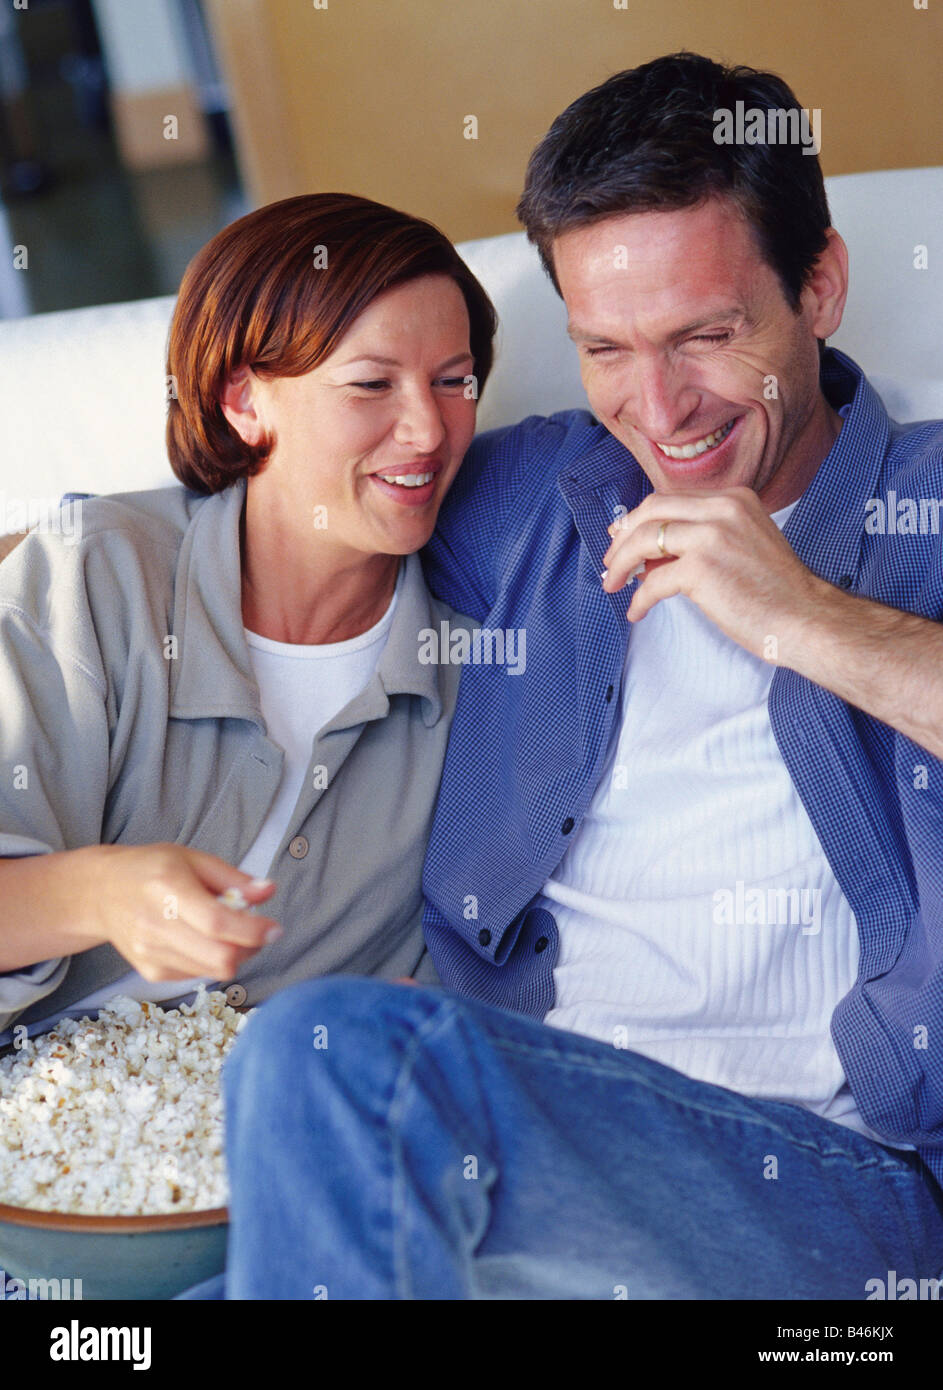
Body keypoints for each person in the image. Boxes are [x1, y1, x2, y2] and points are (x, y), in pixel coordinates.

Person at [219, 54, 943, 1299]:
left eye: (706, 336)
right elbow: (284, 508)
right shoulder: (538, 496)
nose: (656, 409)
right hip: (529, 1152)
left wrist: (806, 616)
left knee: (334, 1055)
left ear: (817, 285)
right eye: (604, 348)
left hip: (835, 1196)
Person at [0, 192, 496, 1044]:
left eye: (453, 382)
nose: (426, 430)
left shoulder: (477, 650)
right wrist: (101, 892)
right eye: (371, 383)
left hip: (288, 1130)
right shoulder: (97, 575)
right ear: (244, 400)